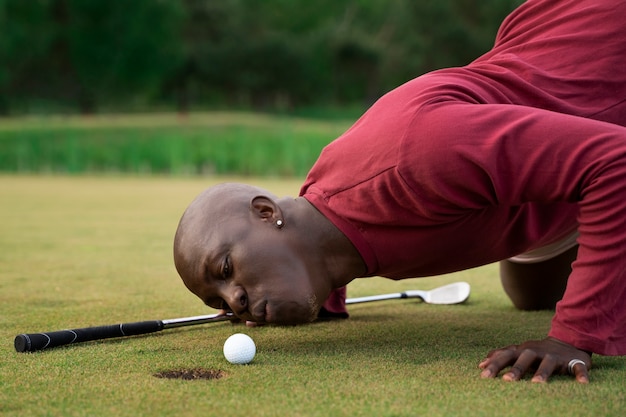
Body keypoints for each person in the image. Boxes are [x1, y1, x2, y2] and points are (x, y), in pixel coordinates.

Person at [173, 0, 626, 384]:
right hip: (536, 150)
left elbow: (615, 164)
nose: (234, 299)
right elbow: (329, 244)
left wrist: (573, 336)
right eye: (219, 300)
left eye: (226, 268)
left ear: (267, 211)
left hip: (602, 60)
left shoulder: (415, 156)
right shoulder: (315, 220)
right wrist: (311, 297)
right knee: (531, 297)